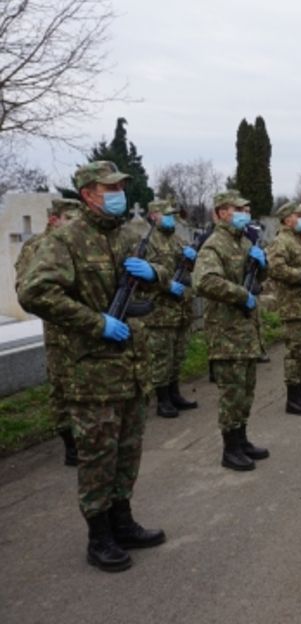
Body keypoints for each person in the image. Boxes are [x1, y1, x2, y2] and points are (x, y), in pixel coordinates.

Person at [17, 161, 168, 573]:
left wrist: (153, 271)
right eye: (110, 187)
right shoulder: (66, 240)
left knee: (128, 451)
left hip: (132, 369)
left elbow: (165, 273)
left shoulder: (128, 234)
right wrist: (96, 321)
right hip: (91, 372)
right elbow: (34, 292)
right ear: (88, 193)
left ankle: (123, 521)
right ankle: (98, 536)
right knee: (98, 455)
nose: (118, 192)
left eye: (121, 185)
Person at [192, 190, 270, 472]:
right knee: (231, 393)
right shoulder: (215, 245)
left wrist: (262, 265)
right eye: (239, 209)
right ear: (222, 212)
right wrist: (240, 295)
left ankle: (242, 439)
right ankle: (230, 448)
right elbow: (205, 281)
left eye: (246, 209)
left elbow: (259, 278)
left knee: (246, 390)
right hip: (226, 333)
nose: (244, 213)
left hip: (246, 330)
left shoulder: (244, 242)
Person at [15, 198, 82, 466]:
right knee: (62, 384)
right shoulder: (36, 247)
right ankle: (69, 441)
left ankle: (87, 434)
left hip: (86, 327)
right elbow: (27, 289)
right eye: (70, 218)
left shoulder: (77, 243)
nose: (75, 224)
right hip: (59, 330)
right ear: (54, 219)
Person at [136, 198, 199, 418]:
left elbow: (191, 268)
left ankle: (175, 393)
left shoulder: (177, 240)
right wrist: (165, 284)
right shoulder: (146, 242)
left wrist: (192, 258)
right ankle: (162, 400)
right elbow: (139, 278)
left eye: (173, 215)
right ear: (154, 216)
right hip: (159, 310)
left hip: (180, 309)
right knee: (161, 357)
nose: (172, 218)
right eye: (167, 214)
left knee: (177, 355)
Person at [266, 201, 301, 416]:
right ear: (287, 219)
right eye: (298, 215)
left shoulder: (299, 241)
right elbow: (276, 269)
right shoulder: (281, 241)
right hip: (293, 306)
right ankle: (292, 398)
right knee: (295, 352)